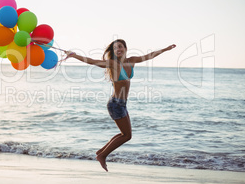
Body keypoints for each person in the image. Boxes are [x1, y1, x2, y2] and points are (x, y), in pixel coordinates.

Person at [66, 40, 176, 171]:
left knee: (125, 134)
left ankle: (101, 151)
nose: (117, 49)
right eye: (114, 48)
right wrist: (74, 55)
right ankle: (102, 155)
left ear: (125, 48)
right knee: (126, 135)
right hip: (115, 104)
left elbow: (149, 56)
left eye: (120, 46)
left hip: (122, 104)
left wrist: (165, 49)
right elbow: (92, 61)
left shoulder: (132, 61)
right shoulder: (113, 64)